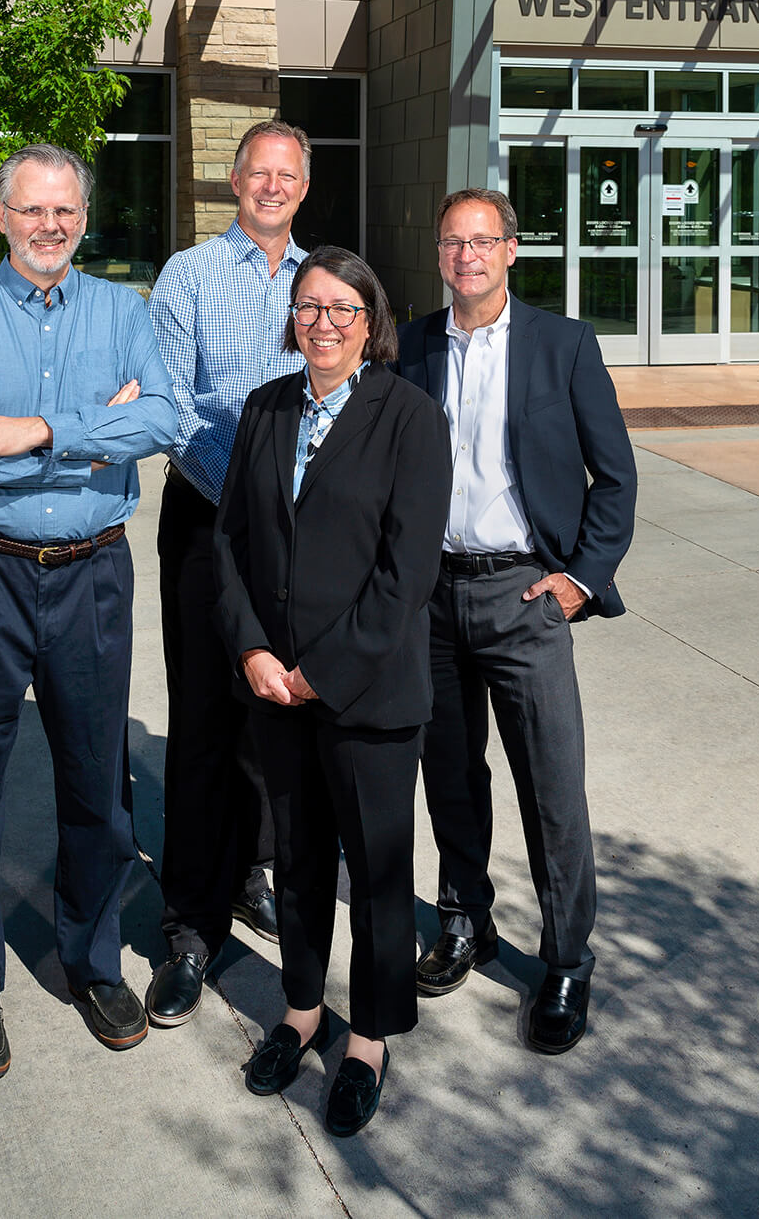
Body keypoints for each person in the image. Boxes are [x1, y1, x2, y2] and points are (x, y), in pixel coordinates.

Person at [0, 143, 176, 1079]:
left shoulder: (123, 309)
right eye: (33, 211)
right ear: (2, 217)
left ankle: (92, 962)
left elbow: (163, 421)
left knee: (96, 785)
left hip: (93, 575)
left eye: (65, 212)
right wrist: (100, 432)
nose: (50, 227)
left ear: (83, 216)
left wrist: (38, 428)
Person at [214, 247, 452, 1137]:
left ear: (371, 321)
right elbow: (232, 540)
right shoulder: (266, 408)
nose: (323, 323)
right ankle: (304, 1013)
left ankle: (371, 1041)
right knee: (302, 865)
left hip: (369, 695)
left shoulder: (410, 417)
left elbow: (407, 571)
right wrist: (250, 651)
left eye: (342, 309)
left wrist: (328, 671)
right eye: (309, 306)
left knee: (379, 877)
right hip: (275, 689)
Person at [396, 187, 637, 1055]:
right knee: (451, 774)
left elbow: (615, 477)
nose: (468, 255)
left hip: (525, 595)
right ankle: (466, 922)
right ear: (439, 254)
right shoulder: (413, 345)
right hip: (432, 598)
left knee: (551, 786)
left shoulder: (563, 345)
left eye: (483, 240)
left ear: (510, 251)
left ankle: (567, 957)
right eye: (453, 240)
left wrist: (580, 579)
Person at [144, 119, 311, 1029]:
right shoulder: (188, 276)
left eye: (287, 175)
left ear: (302, 187)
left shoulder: (324, 280)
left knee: (274, 718)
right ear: (234, 182)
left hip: (300, 535)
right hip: (210, 521)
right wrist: (246, 495)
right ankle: (189, 931)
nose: (271, 187)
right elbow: (169, 407)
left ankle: (254, 872)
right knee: (205, 724)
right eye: (258, 174)